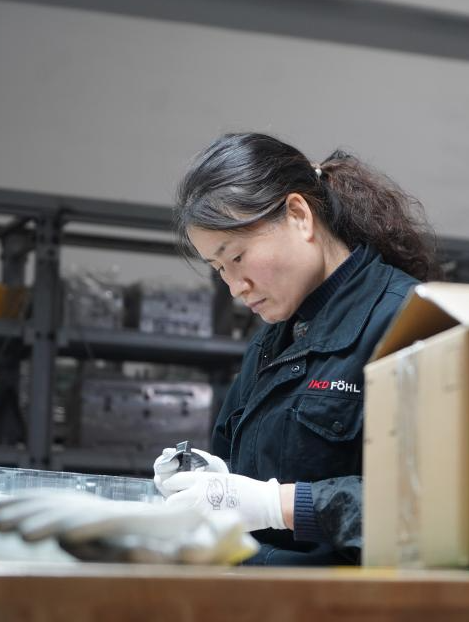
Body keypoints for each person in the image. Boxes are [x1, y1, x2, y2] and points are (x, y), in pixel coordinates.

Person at [152, 132, 438, 566]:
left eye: (237, 257)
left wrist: (278, 505)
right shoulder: (273, 342)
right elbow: (246, 474)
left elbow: (433, 507)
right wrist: (212, 481)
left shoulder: (410, 324)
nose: (234, 287)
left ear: (299, 215)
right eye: (219, 268)